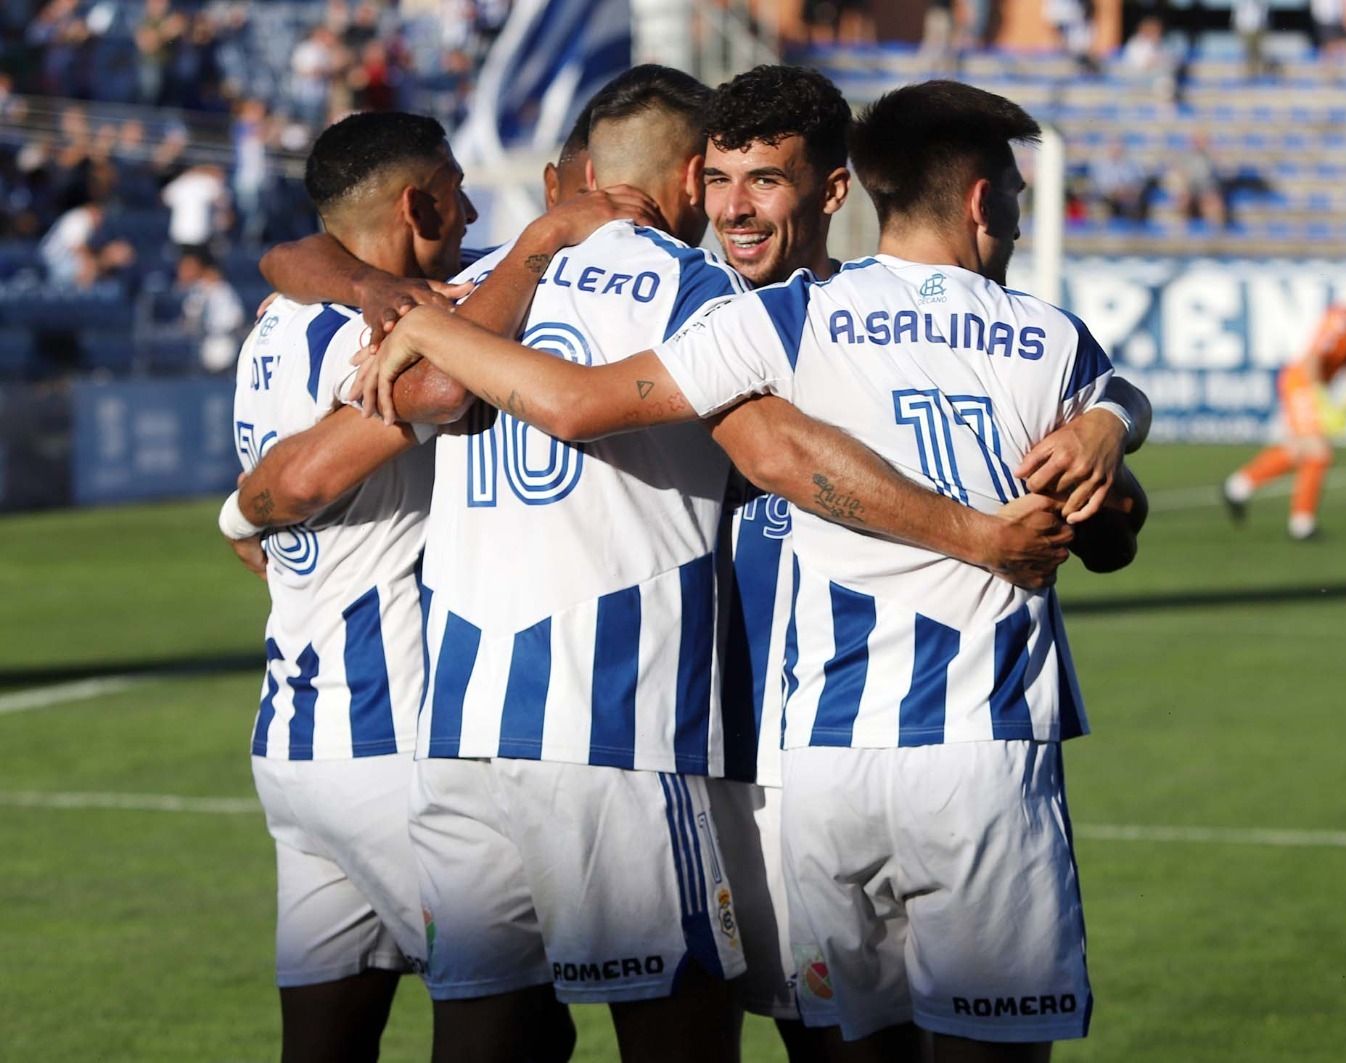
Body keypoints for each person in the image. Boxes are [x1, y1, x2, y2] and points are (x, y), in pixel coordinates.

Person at [362, 79, 1139, 1059]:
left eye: (763, 181)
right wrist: (1071, 455)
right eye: (719, 180)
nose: (733, 207)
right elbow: (759, 449)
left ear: (833, 191)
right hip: (765, 752)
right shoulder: (767, 315)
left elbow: (1107, 506)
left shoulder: (791, 317)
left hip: (789, 756)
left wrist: (1109, 430)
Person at [218, 110, 650, 1063]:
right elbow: (439, 393)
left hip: (298, 738)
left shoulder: (289, 312)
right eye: (456, 188)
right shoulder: (363, 328)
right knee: (517, 1023)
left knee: (326, 1039)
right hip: (390, 735)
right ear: (420, 201)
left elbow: (289, 254)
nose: (469, 210)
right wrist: (540, 241)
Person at [1223, 268, 1346, 540]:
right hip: (1302, 382)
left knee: (1299, 451)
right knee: (1318, 452)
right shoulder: (1345, 318)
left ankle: (1238, 486)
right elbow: (1314, 357)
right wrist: (1319, 397)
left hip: (1315, 385)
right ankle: (1302, 524)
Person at [176, 246, 246, 372]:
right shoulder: (196, 291)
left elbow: (236, 319)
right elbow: (189, 321)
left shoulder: (224, 291)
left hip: (225, 342)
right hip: (200, 345)